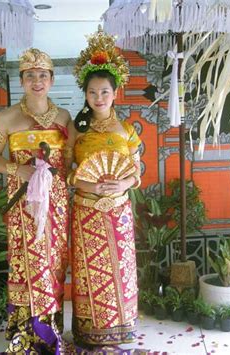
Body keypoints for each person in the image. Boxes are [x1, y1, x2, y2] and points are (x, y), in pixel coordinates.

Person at [0, 48, 72, 354]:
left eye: (43, 75)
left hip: (57, 201)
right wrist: (17, 169)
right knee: (26, 259)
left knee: (53, 260)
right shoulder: (7, 117)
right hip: (23, 203)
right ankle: (25, 329)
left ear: (51, 80)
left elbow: (72, 159)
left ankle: (51, 328)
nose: (37, 81)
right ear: (21, 80)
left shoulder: (63, 117)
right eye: (30, 75)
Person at [67, 28, 142, 348]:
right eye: (93, 92)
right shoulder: (75, 128)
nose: (99, 98)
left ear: (115, 93)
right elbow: (64, 169)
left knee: (120, 269)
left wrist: (124, 181)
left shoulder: (126, 130)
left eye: (105, 92)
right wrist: (86, 183)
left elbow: (137, 169)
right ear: (85, 94)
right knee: (89, 270)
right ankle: (89, 329)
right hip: (86, 210)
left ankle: (121, 326)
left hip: (119, 210)